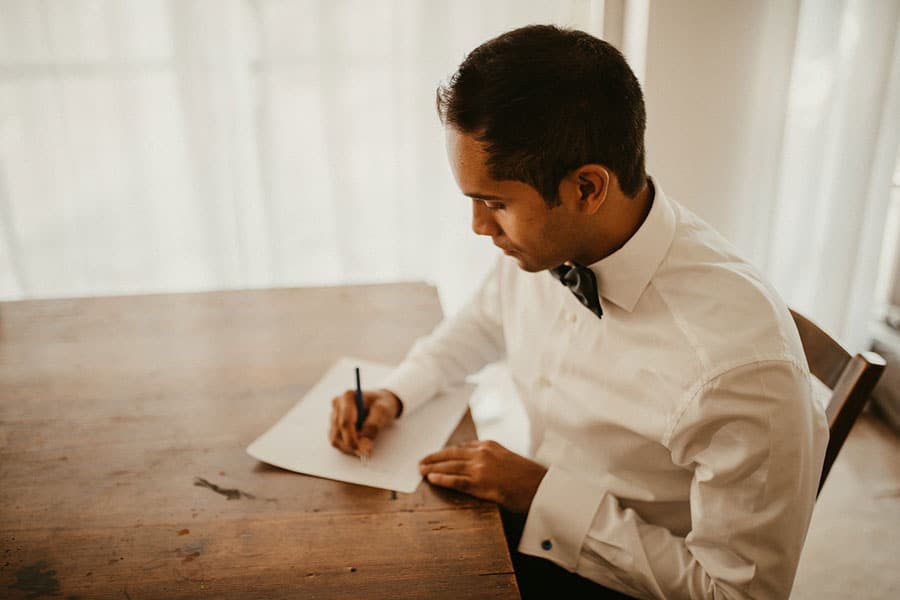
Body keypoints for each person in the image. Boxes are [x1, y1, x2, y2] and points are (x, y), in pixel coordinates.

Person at [329, 24, 827, 599]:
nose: (479, 227)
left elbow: (736, 594)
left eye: (494, 203)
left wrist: (542, 494)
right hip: (539, 517)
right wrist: (396, 393)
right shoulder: (550, 240)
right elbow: (482, 324)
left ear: (588, 189)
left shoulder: (737, 369)